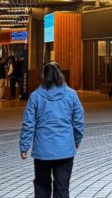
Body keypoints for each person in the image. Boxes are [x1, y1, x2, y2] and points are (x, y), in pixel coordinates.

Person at [19, 62, 84, 198]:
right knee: (62, 188)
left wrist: (24, 146)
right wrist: (77, 140)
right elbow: (78, 120)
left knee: (42, 187)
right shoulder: (71, 95)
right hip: (65, 149)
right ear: (61, 75)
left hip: (43, 151)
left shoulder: (35, 96)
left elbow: (28, 123)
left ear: (43, 76)